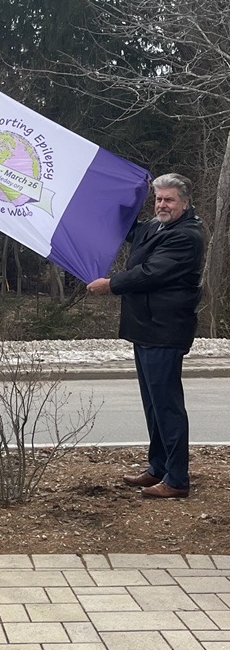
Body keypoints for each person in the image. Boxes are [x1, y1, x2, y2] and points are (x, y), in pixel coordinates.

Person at [87, 173, 204, 499]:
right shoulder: (157, 226)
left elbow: (150, 273)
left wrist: (110, 284)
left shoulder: (186, 236)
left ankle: (177, 479)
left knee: (167, 406)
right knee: (153, 405)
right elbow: (131, 231)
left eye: (168, 200)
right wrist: (114, 200)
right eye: (157, 199)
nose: (162, 205)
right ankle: (158, 467)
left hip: (165, 331)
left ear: (184, 202)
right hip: (146, 328)